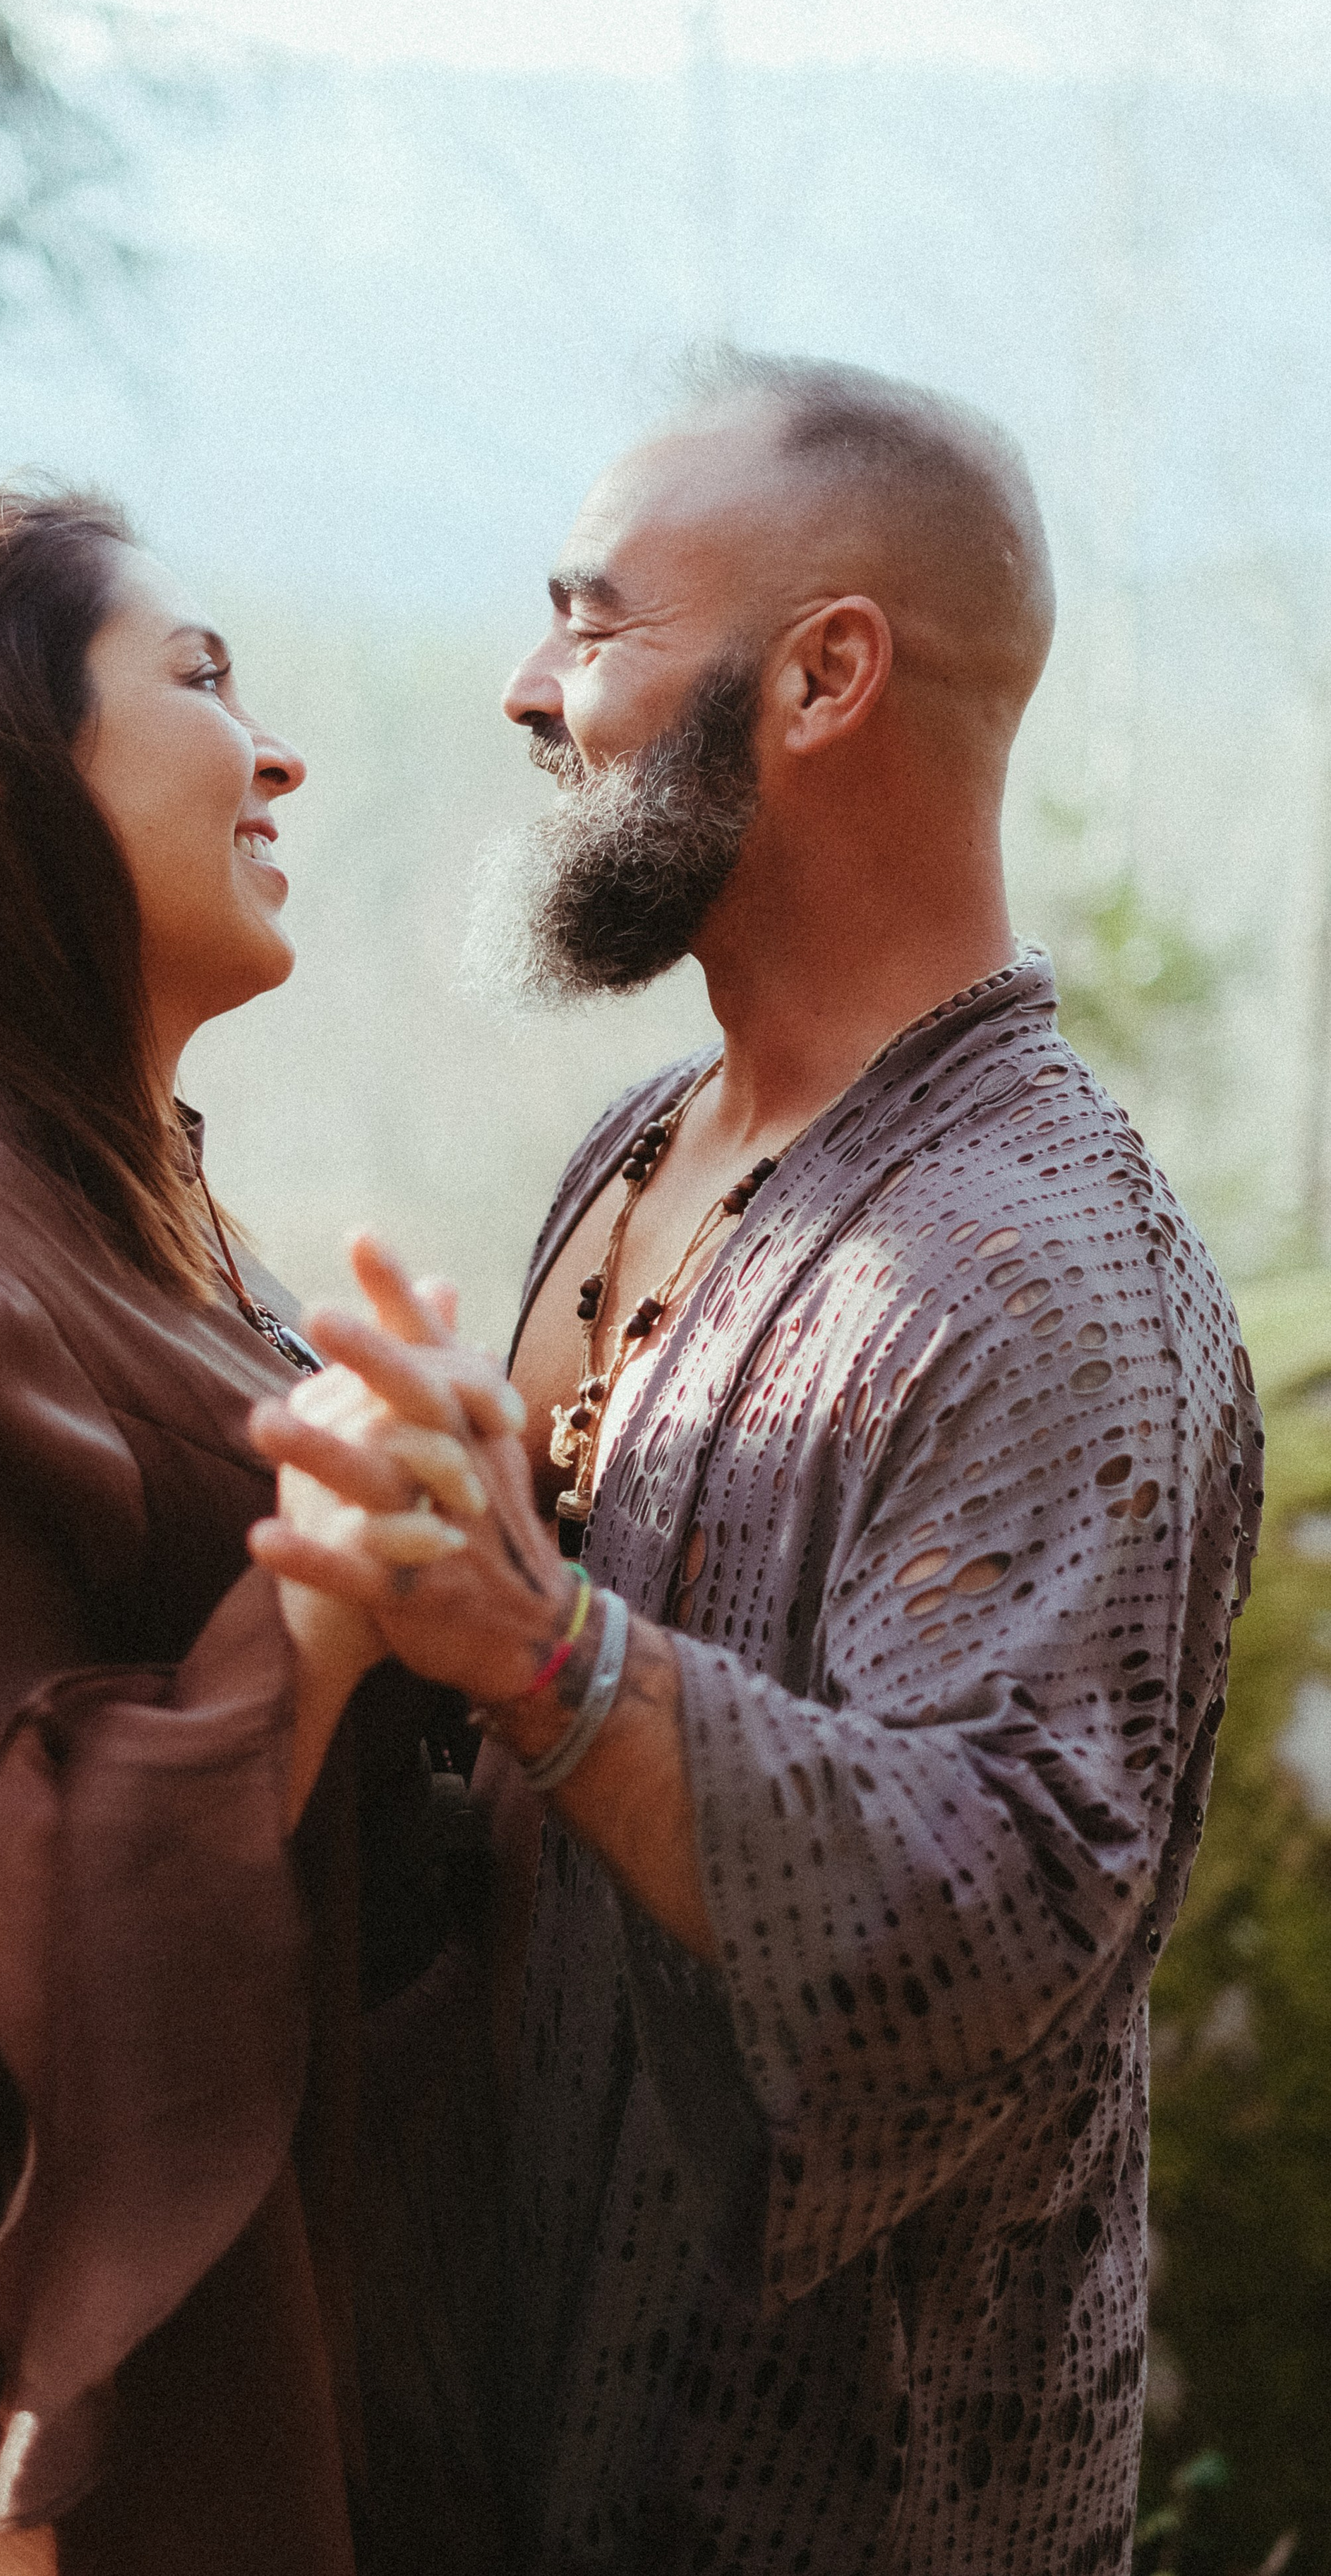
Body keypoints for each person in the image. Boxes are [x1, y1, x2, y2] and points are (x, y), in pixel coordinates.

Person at [248, 353, 1265, 2576]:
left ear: (823, 677)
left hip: (860, 2502)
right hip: (512, 2435)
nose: (532, 688)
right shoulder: (652, 1147)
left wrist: (543, 1653)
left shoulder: (1041, 1272)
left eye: (595, 620)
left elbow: (995, 1910)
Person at [0, 487, 517, 2575]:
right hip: (15, 2416)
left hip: (271, 2316)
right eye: (203, 679)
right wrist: (307, 1632)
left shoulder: (117, 1217)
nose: (280, 752)